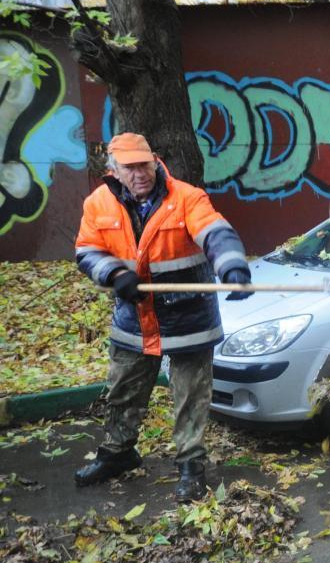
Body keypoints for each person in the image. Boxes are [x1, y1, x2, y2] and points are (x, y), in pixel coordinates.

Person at [74, 132, 253, 501]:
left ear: (155, 160)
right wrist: (114, 274)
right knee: (123, 391)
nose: (140, 173)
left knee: (190, 396)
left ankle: (191, 466)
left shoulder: (187, 198)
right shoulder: (98, 204)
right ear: (114, 170)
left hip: (189, 320)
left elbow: (215, 233)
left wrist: (232, 268)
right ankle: (118, 454)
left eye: (144, 164)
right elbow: (87, 250)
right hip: (134, 319)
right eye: (130, 167)